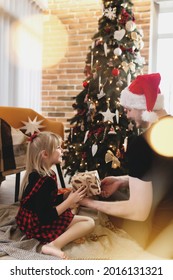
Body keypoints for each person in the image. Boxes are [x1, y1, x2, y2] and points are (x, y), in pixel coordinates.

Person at [80, 73, 173, 251]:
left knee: (107, 206)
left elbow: (138, 211)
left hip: (161, 236)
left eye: (128, 109)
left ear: (144, 107)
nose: (127, 115)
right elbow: (165, 174)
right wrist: (122, 180)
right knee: (116, 192)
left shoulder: (141, 144)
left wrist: (90, 203)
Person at [16, 131, 95, 259]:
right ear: (45, 154)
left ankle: (63, 233)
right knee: (89, 222)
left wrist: (65, 196)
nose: (62, 150)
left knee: (73, 210)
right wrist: (69, 201)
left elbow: (47, 201)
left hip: (28, 220)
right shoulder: (46, 181)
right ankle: (53, 245)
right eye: (58, 147)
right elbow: (46, 217)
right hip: (37, 225)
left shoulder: (40, 174)